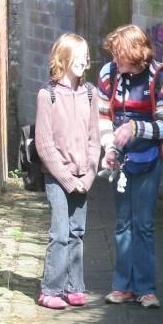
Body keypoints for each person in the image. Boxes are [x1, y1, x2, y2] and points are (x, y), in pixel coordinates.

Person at [98, 24, 163, 309]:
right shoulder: (108, 74)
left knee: (143, 224)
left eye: (120, 55)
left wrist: (134, 128)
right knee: (123, 223)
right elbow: (104, 116)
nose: (115, 60)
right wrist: (110, 148)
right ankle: (122, 287)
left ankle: (146, 289)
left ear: (135, 53)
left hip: (149, 159)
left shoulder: (162, 79)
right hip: (121, 159)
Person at [35, 33, 100, 309]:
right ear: (63, 57)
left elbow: (94, 139)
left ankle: (74, 287)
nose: (83, 60)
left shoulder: (90, 93)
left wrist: (88, 176)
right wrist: (66, 179)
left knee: (77, 233)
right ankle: (50, 289)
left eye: (86, 55)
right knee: (60, 233)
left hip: (82, 178)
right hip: (57, 178)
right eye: (78, 54)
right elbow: (44, 144)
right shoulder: (47, 95)